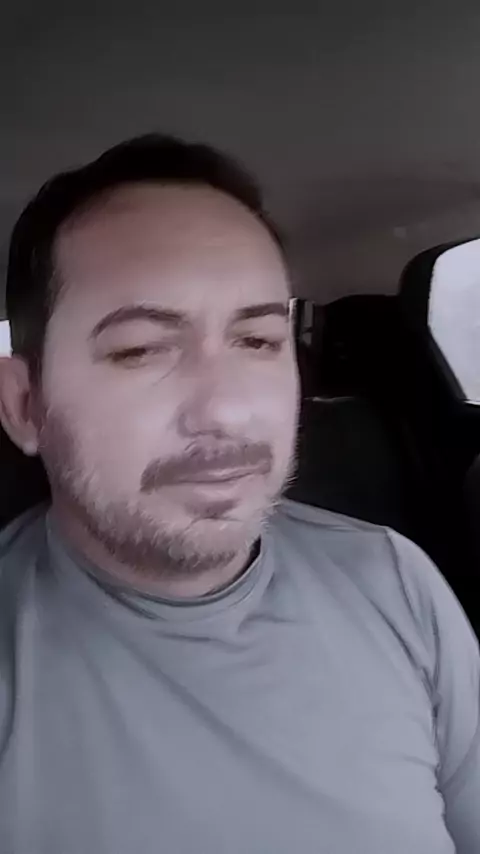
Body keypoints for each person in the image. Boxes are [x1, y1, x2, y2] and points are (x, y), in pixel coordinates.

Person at [0, 135, 478, 854]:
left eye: (257, 341)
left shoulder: (392, 579)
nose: (226, 411)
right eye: (140, 349)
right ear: (25, 406)